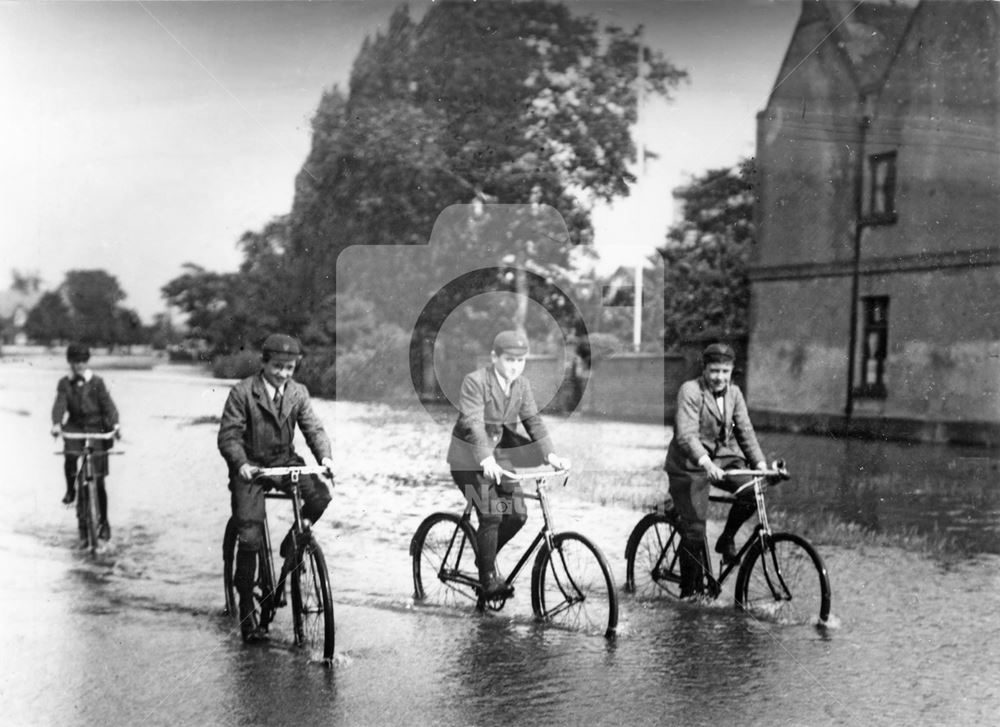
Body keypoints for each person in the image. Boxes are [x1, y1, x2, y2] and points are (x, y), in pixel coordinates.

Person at [217, 333, 335, 642]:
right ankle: (246, 610)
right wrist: (240, 463)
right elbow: (228, 436)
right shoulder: (242, 393)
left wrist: (325, 457)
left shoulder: (298, 393)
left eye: (290, 368)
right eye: (278, 367)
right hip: (252, 469)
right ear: (264, 363)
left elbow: (313, 427)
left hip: (285, 461)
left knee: (321, 497)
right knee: (250, 535)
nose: (283, 374)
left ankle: (292, 544)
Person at [447, 330, 570, 599]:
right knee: (491, 513)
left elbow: (533, 421)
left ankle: (484, 562)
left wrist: (551, 456)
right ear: (494, 357)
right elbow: (472, 424)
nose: (515, 366)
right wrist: (485, 458)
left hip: (501, 458)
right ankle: (488, 578)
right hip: (468, 461)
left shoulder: (521, 385)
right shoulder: (475, 382)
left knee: (516, 515)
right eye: (509, 360)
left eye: (521, 361)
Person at [664, 342, 768, 598]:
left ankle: (727, 538)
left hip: (721, 459)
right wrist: (705, 463)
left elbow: (745, 431)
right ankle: (690, 596)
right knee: (695, 530)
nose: (720, 377)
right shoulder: (690, 390)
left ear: (732, 371)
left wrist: (761, 465)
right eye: (714, 371)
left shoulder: (734, 394)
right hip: (689, 463)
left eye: (725, 371)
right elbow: (686, 435)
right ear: (705, 370)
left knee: (754, 489)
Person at [50, 343, 121, 543]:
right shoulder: (65, 383)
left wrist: (115, 425)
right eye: (74, 362)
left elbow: (108, 406)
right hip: (74, 426)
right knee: (70, 455)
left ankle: (104, 522)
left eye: (82, 361)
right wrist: (56, 423)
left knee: (98, 481)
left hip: (96, 428)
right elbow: (59, 405)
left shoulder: (97, 381)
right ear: (69, 362)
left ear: (86, 362)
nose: (78, 365)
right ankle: (71, 489)